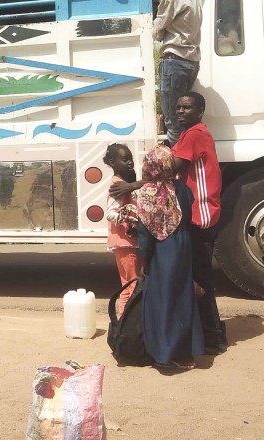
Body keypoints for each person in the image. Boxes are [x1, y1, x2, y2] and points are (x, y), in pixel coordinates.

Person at [133, 145, 205, 369]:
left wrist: (144, 259)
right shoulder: (182, 189)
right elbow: (188, 216)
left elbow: (145, 233)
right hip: (182, 246)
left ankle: (164, 352)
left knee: (162, 300)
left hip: (162, 251)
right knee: (182, 297)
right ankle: (187, 351)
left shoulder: (147, 194)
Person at [171, 92, 227, 355]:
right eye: (179, 107)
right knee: (197, 277)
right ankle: (208, 333)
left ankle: (213, 337)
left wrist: (135, 184)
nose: (181, 111)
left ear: (200, 111)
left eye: (187, 107)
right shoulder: (189, 133)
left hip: (200, 217)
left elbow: (170, 167)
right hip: (197, 215)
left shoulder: (194, 134)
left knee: (200, 280)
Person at [151, 0, 201, 146]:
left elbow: (156, 31)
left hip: (174, 62)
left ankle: (177, 171)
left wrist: (160, 32)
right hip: (191, 62)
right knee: (186, 122)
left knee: (173, 123)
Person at [104, 143, 140, 318]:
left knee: (127, 285)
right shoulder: (118, 186)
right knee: (133, 285)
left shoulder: (124, 183)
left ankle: (122, 325)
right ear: (112, 162)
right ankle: (130, 325)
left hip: (124, 242)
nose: (130, 163)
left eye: (131, 159)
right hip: (126, 243)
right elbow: (110, 213)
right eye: (125, 159)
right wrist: (130, 220)